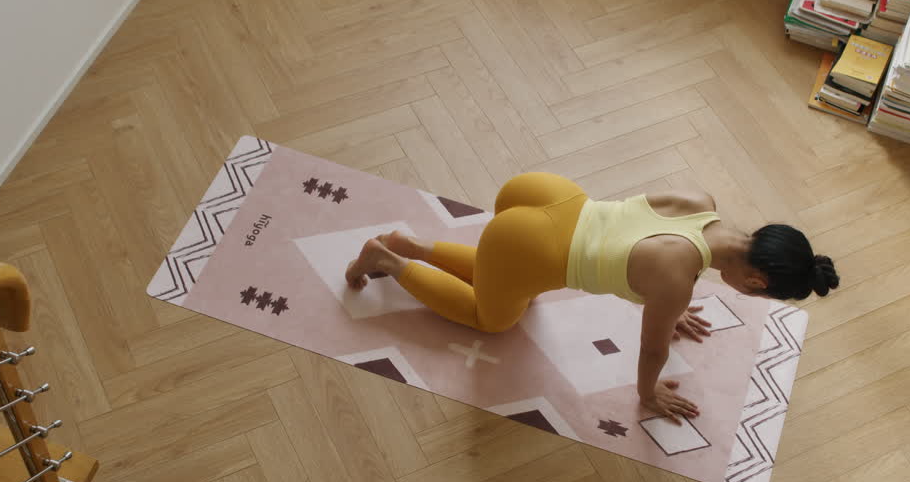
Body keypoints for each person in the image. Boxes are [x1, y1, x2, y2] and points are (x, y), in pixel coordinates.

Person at [345, 172, 839, 421]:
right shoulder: (677, 280)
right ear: (757, 283)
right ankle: (388, 259)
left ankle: (411, 245)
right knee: (491, 318)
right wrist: (648, 394)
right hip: (530, 244)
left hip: (547, 195)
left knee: (515, 282)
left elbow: (638, 242)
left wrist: (671, 308)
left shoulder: (700, 202)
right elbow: (652, 349)